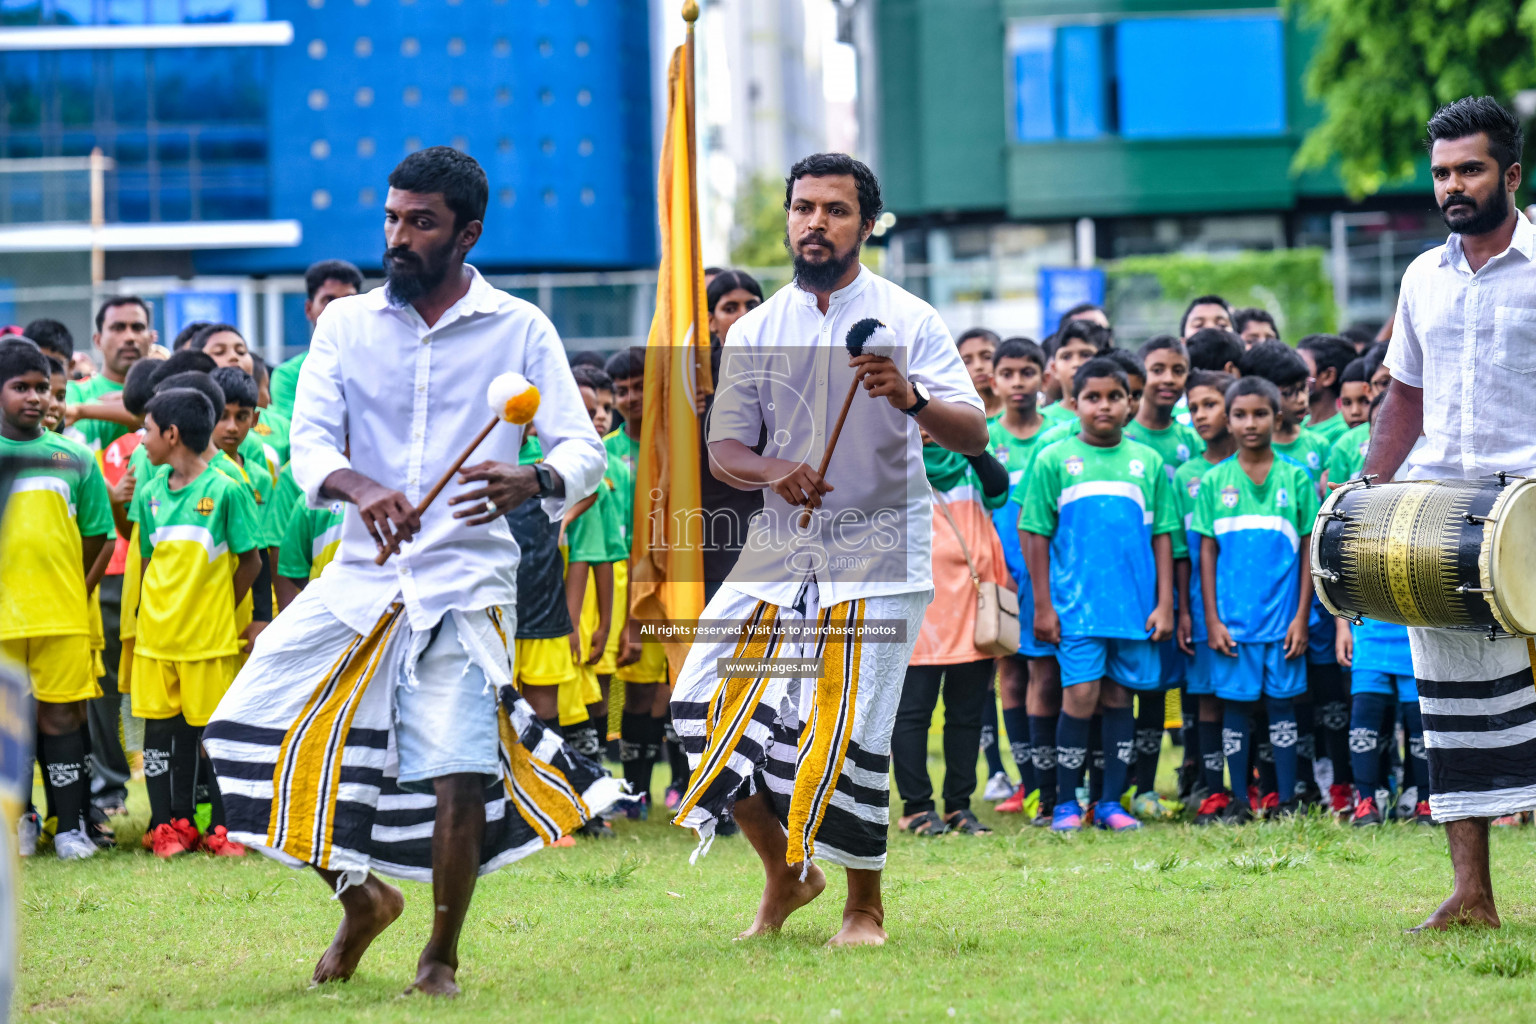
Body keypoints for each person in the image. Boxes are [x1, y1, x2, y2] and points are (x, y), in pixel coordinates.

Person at [202, 148, 613, 995]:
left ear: (468, 233)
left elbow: (583, 450)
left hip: (468, 583)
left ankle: (440, 958)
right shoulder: (344, 324)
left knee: (458, 768)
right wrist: (359, 484)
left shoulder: (521, 327)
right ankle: (363, 898)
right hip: (360, 579)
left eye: (419, 222)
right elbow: (308, 442)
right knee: (238, 728)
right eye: (391, 218)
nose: (397, 237)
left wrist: (531, 478)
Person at [670, 152, 988, 947]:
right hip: (781, 554)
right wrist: (778, 471)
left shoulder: (909, 319)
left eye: (836, 209)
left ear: (866, 223)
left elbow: (974, 430)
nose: (816, 222)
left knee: (850, 725)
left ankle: (863, 907)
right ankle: (787, 873)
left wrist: (909, 395)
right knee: (700, 705)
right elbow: (727, 450)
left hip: (881, 552)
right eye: (804, 207)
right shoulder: (753, 327)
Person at [1363, 96, 1536, 932]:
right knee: (1452, 710)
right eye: (1440, 173)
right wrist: (1366, 484)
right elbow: (1406, 392)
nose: (1452, 187)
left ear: (1510, 173)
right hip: (1437, 518)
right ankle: (1474, 897)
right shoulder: (1421, 275)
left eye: (1469, 169)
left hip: (1531, 513)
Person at [1020, 356, 1176, 833]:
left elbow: (1165, 534)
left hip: (1131, 609)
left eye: (1114, 396)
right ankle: (1066, 802)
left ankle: (1111, 802)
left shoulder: (1147, 462)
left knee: (1118, 699)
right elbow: (1033, 531)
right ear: (1074, 403)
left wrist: (1165, 602)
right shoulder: (1052, 459)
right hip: (1074, 610)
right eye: (1093, 397)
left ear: (1130, 403)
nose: (1103, 406)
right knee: (1080, 695)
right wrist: (1043, 606)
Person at [130, 386, 262, 857]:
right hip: (157, 641)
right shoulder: (148, 493)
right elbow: (149, 564)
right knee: (161, 737)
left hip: (208, 643)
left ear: (171, 434)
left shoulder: (227, 490)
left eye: (146, 429)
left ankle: (224, 830)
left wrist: (218, 608)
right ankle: (170, 826)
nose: (140, 438)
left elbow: (252, 562)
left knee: (212, 737)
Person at [0, 338, 112, 860]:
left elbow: (98, 536)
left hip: (61, 615)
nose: (35, 397)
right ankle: (16, 823)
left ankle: (69, 827)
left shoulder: (75, 457)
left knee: (61, 719)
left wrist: (74, 592)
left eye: (43, 387)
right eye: (20, 387)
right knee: (9, 721)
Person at [1192, 377, 1318, 824]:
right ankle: (1241, 801)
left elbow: (1309, 550)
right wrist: (1212, 619)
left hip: (1284, 620)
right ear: (1228, 421)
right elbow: (1205, 553)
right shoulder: (1214, 482)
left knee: (1283, 707)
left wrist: (1302, 617)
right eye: (1240, 415)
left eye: (1260, 413)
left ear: (1276, 417)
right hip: (1233, 621)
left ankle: (1284, 799)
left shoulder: (1296, 479)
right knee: (1236, 707)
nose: (1250, 423)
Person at [892, 436, 1009, 837]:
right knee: (912, 714)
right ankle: (916, 808)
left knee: (967, 714)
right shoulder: (889, 458)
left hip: (973, 608)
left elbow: (999, 490)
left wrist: (964, 439)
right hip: (914, 605)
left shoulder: (968, 461)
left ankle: (960, 806)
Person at [1124, 335, 1204, 817]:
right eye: (1159, 369)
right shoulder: (1120, 435)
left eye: (1179, 370)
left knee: (1158, 686)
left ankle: (1149, 784)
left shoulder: (1188, 441)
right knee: (1115, 687)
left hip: (1173, 576)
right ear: (1141, 375)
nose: (1169, 379)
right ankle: (1111, 783)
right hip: (1123, 577)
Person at [601, 346, 673, 817]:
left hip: (678, 582)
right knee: (640, 686)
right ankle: (636, 791)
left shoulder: (677, 447)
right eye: (620, 390)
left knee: (678, 687)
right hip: (628, 585)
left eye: (638, 387)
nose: (630, 397)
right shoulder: (604, 454)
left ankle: (687, 787)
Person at [985, 338, 1050, 814]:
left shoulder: (1061, 435)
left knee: (1047, 675)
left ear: (1043, 378)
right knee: (1010, 673)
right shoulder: (981, 436)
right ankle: (1025, 785)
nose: (1018, 382)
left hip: (1048, 576)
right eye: (1008, 373)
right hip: (998, 575)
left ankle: (1052, 781)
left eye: (1028, 372)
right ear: (994, 380)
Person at [1172, 370, 1238, 820]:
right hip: (1202, 605)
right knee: (1208, 696)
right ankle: (1214, 789)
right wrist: (1184, 610)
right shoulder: (1186, 476)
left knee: (1249, 697)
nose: (1200, 415)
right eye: (1193, 407)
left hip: (1257, 605)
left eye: (1210, 405)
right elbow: (1180, 550)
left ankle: (1254, 783)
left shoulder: (1260, 468)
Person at [560, 364, 621, 765]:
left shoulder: (596, 481)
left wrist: (591, 623)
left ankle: (593, 791)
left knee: (584, 694)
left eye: (603, 408)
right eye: (589, 409)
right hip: (547, 606)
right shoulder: (550, 466)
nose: (600, 416)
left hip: (568, 609)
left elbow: (591, 555)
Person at [269, 260, 365, 421]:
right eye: (329, 300)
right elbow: (301, 431)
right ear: (308, 309)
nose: (339, 310)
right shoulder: (288, 376)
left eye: (349, 300)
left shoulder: (379, 363)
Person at [63, 296, 154, 455]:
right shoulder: (71, 392)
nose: (129, 337)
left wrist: (83, 410)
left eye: (137, 327)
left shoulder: (169, 389)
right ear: (97, 341)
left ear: (152, 339)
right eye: (118, 328)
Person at [1295, 334, 1357, 444]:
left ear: (1328, 376)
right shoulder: (1297, 424)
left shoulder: (1343, 433)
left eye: (1301, 366)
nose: (1292, 372)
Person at [957, 328, 1002, 419]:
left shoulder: (1029, 412)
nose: (978, 366)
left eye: (987, 357)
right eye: (967, 361)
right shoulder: (957, 419)